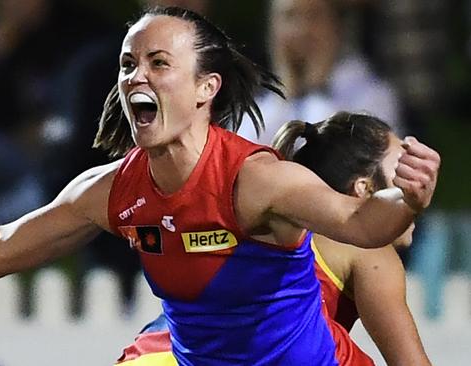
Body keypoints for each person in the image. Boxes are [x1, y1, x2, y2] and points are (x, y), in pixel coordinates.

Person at [0, 7, 439, 365]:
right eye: (127, 64)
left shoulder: (258, 181)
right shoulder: (113, 190)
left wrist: (404, 198)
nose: (135, 76)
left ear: (206, 89)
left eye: (158, 64)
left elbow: (363, 225)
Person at [116, 112, 431, 366]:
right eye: (401, 168)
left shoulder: (274, 224)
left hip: (150, 352)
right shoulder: (369, 249)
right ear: (364, 189)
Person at [238, 0, 403, 145]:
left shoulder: (373, 94)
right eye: (289, 16)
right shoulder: (262, 101)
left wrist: (317, 88)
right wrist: (285, 92)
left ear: (337, 26)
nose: (302, 29)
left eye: (314, 16)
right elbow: (244, 157)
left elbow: (328, 158)